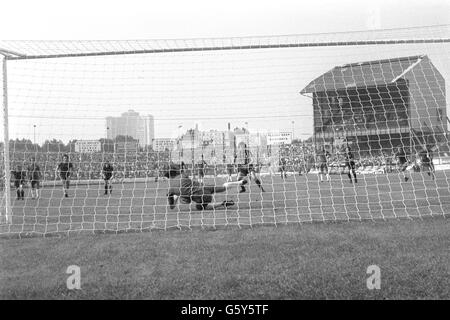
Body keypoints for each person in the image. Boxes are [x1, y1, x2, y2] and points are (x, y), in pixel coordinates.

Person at [165, 164, 246, 210]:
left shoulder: (170, 190)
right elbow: (187, 183)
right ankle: (239, 182)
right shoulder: (183, 175)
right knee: (223, 187)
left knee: (200, 207)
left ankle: (222, 203)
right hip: (205, 187)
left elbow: (173, 206)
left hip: (202, 196)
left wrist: (177, 196)